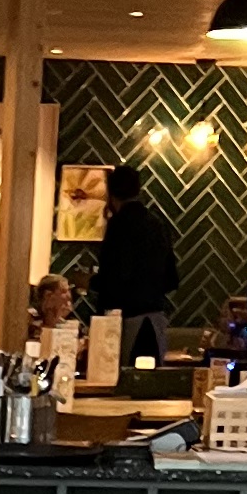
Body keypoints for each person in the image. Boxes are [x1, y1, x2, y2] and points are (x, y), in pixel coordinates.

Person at [93, 164, 178, 383]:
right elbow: (171, 278)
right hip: (156, 320)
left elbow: (116, 278)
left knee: (124, 383)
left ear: (111, 194)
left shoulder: (118, 226)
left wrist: (91, 282)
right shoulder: (157, 224)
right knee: (153, 385)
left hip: (126, 323)